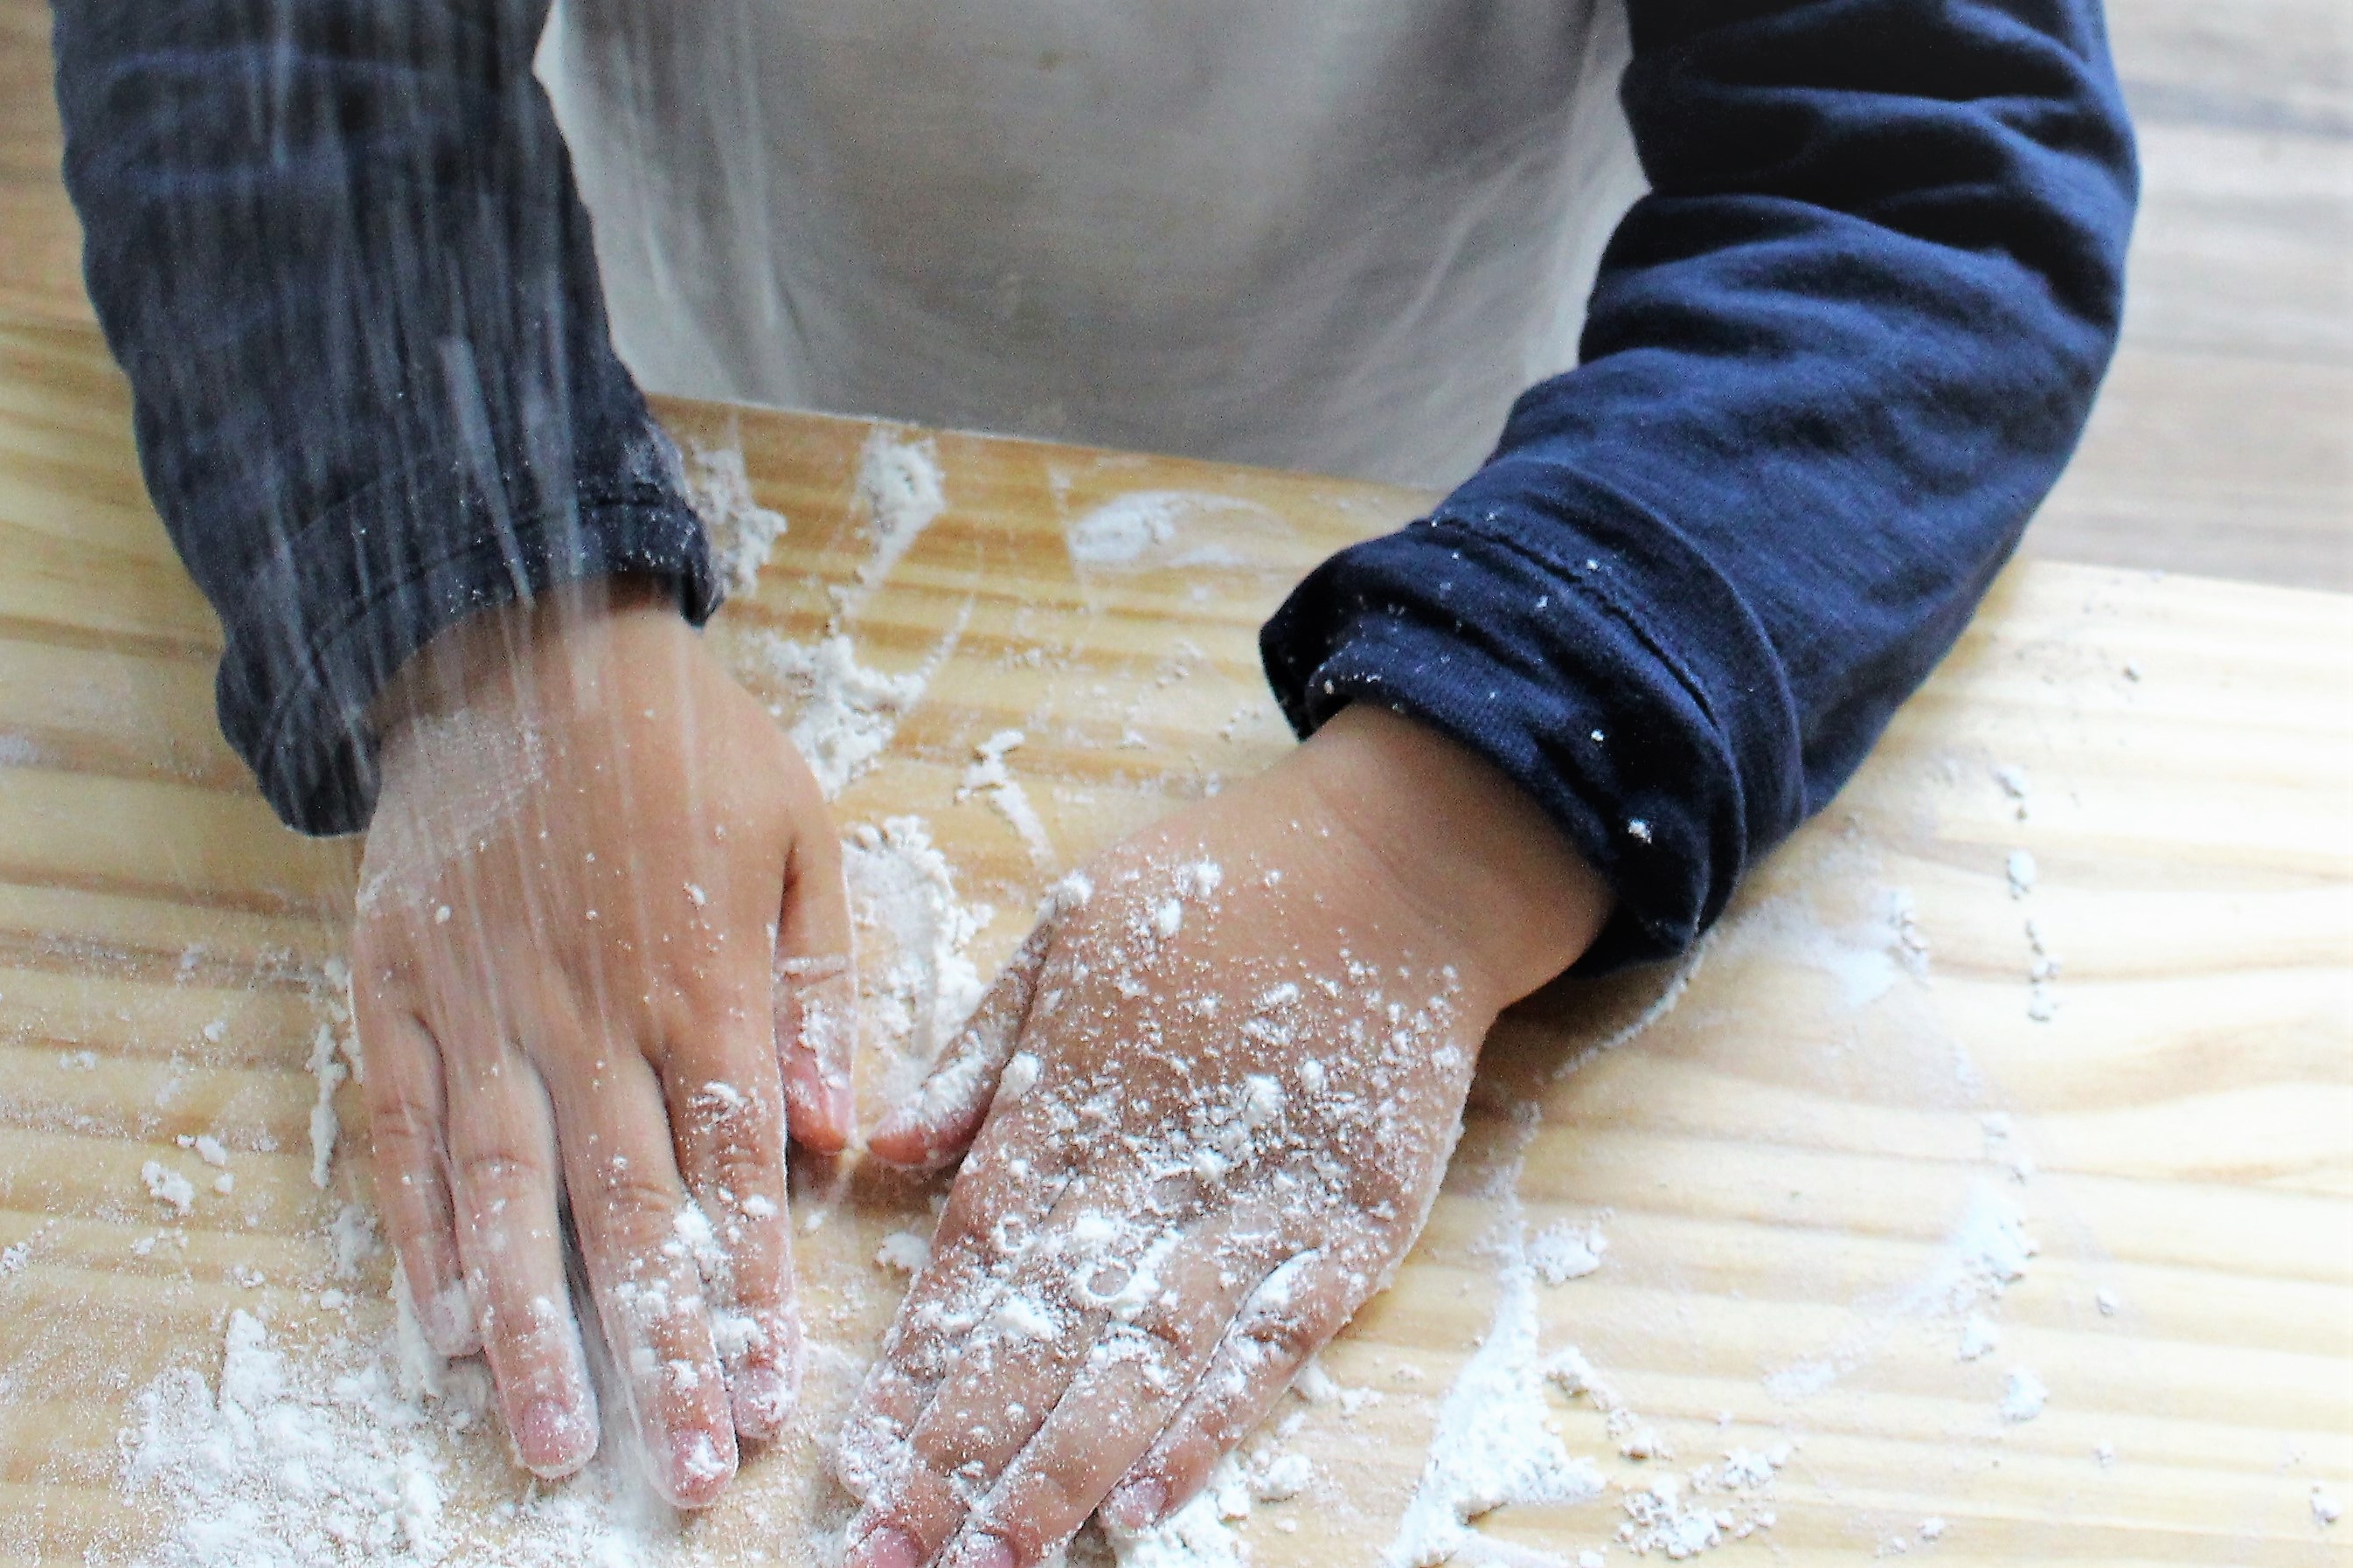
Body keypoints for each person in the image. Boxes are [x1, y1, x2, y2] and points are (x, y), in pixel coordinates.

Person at [48, 1, 2136, 1562]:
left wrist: (1438, 840)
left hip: (1462, 478)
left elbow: (1922, 185)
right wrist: (490, 604)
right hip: (696, 382)